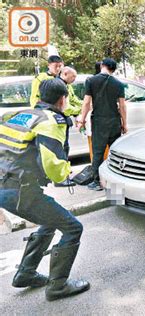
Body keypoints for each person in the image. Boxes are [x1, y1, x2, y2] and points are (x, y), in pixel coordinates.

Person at [0, 79, 90, 301]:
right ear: (62, 99)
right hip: (19, 190)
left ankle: (25, 274)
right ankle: (58, 286)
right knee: (72, 227)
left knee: (49, 222)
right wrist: (66, 172)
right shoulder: (52, 121)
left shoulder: (21, 115)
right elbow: (53, 166)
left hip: (6, 185)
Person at [77, 58, 128, 191]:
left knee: (98, 152)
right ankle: (116, 186)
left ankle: (97, 182)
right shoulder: (118, 84)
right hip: (114, 121)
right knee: (114, 152)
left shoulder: (91, 80)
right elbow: (122, 105)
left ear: (102, 66)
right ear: (113, 69)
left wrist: (82, 119)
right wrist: (125, 123)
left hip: (99, 122)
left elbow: (87, 102)